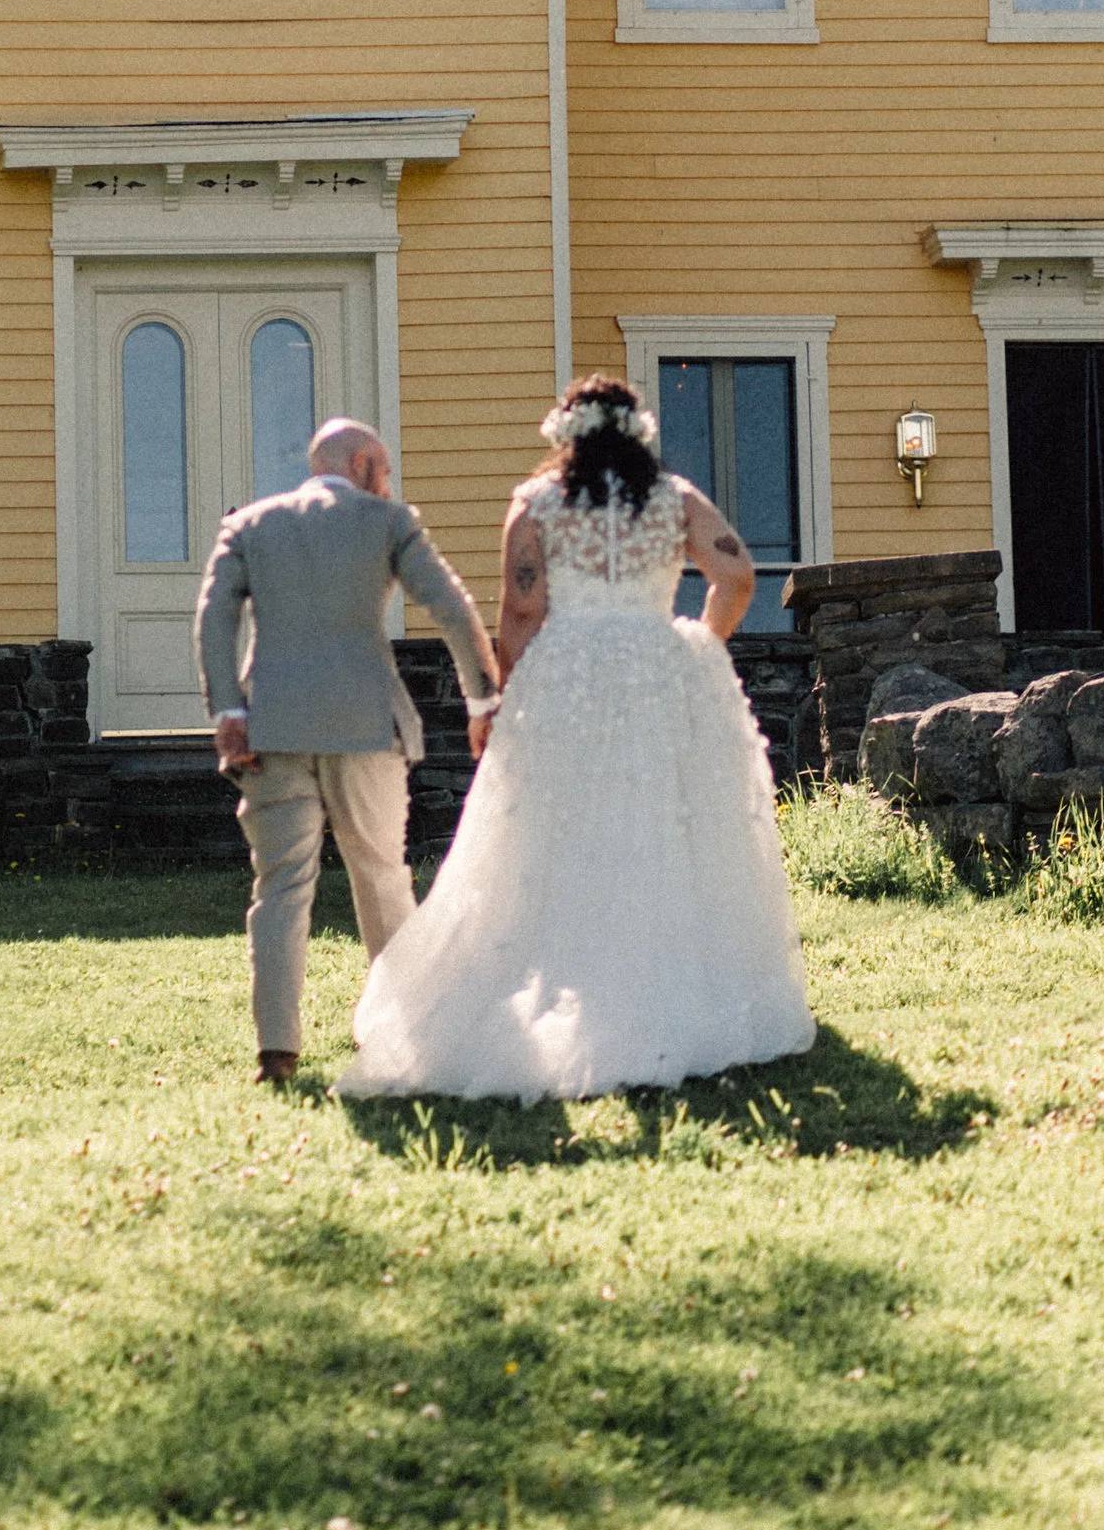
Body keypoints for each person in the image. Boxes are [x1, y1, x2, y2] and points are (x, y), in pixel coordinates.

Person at [336, 373, 815, 1101]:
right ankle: (665, 988)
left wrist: (496, 702)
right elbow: (738, 573)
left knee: (551, 835)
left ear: (565, 436)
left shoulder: (536, 505)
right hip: (660, 673)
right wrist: (699, 644)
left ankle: (559, 982)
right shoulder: (676, 498)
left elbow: (522, 611)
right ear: (639, 435)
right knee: (666, 829)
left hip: (568, 679)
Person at [193, 417, 499, 1086]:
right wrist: (482, 701)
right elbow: (451, 606)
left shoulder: (250, 526)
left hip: (271, 728)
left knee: (279, 888)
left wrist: (228, 711)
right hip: (366, 728)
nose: (387, 483)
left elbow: (214, 615)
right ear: (361, 465)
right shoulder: (387, 522)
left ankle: (277, 1053)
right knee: (383, 876)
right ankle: (407, 1037)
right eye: (384, 469)